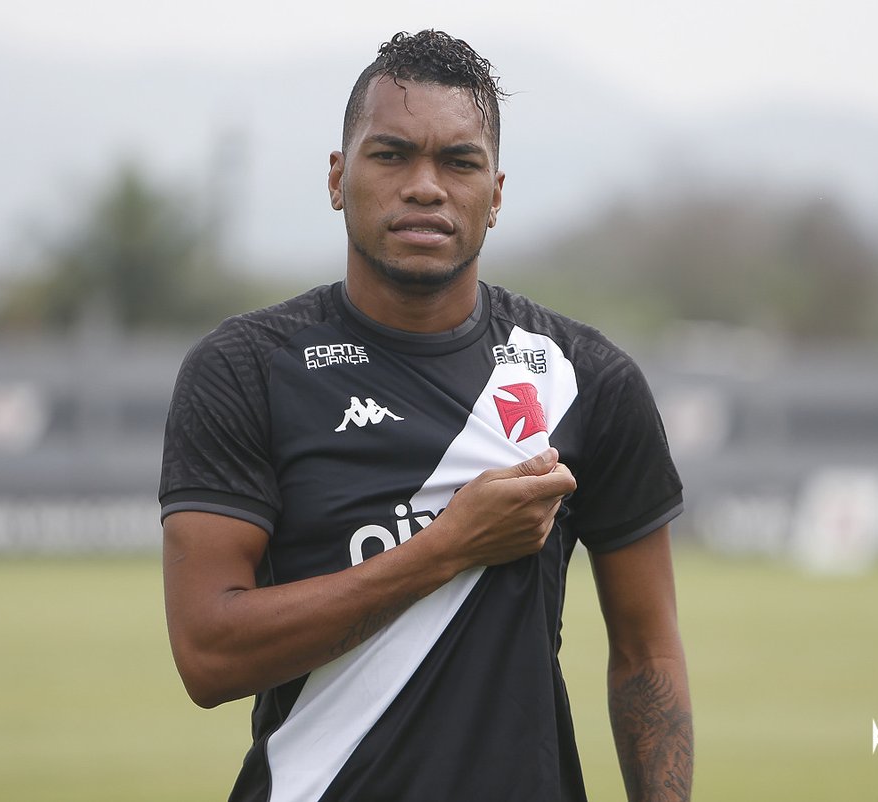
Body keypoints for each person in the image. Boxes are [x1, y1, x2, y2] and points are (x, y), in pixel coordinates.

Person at [159, 29, 692, 802]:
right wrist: (446, 548)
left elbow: (649, 655)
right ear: (338, 177)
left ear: (495, 194)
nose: (424, 187)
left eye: (459, 162)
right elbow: (208, 657)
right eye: (392, 155)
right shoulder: (246, 368)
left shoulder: (583, 378)